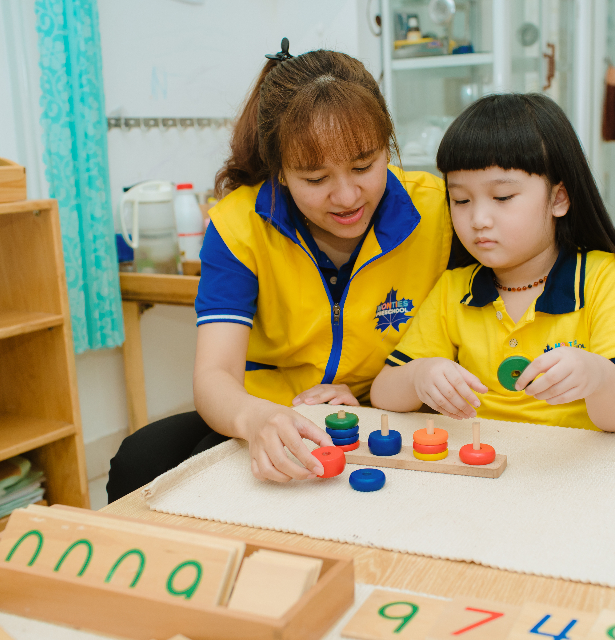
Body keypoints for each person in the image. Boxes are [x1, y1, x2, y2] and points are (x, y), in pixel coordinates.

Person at [107, 41, 452, 500]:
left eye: (364, 166)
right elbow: (214, 376)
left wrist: (373, 400)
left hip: (390, 409)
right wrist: (258, 418)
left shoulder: (438, 211)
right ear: (280, 172)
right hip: (270, 409)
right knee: (139, 460)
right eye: (316, 178)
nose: (347, 197)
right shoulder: (238, 226)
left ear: (388, 149)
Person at [370, 94, 615, 433]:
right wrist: (419, 376)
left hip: (579, 460)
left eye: (502, 197)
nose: (478, 219)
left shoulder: (603, 279)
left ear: (559, 198)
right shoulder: (455, 288)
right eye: (460, 199)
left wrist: (598, 376)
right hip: (484, 456)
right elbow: (382, 394)